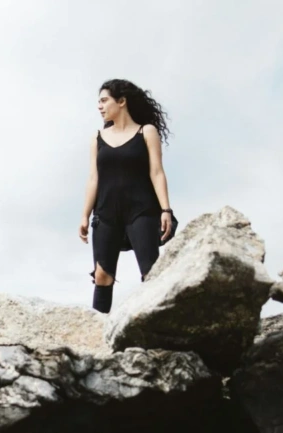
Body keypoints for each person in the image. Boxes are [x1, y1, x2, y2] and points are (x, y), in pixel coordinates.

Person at [78, 79, 174, 313]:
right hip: (106, 213)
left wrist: (166, 210)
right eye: (98, 102)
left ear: (121, 101)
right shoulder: (97, 137)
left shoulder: (146, 132)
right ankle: (99, 337)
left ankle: (154, 331)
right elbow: (94, 178)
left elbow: (157, 172)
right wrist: (84, 215)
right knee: (102, 275)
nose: (99, 106)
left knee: (151, 272)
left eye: (104, 100)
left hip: (141, 211)